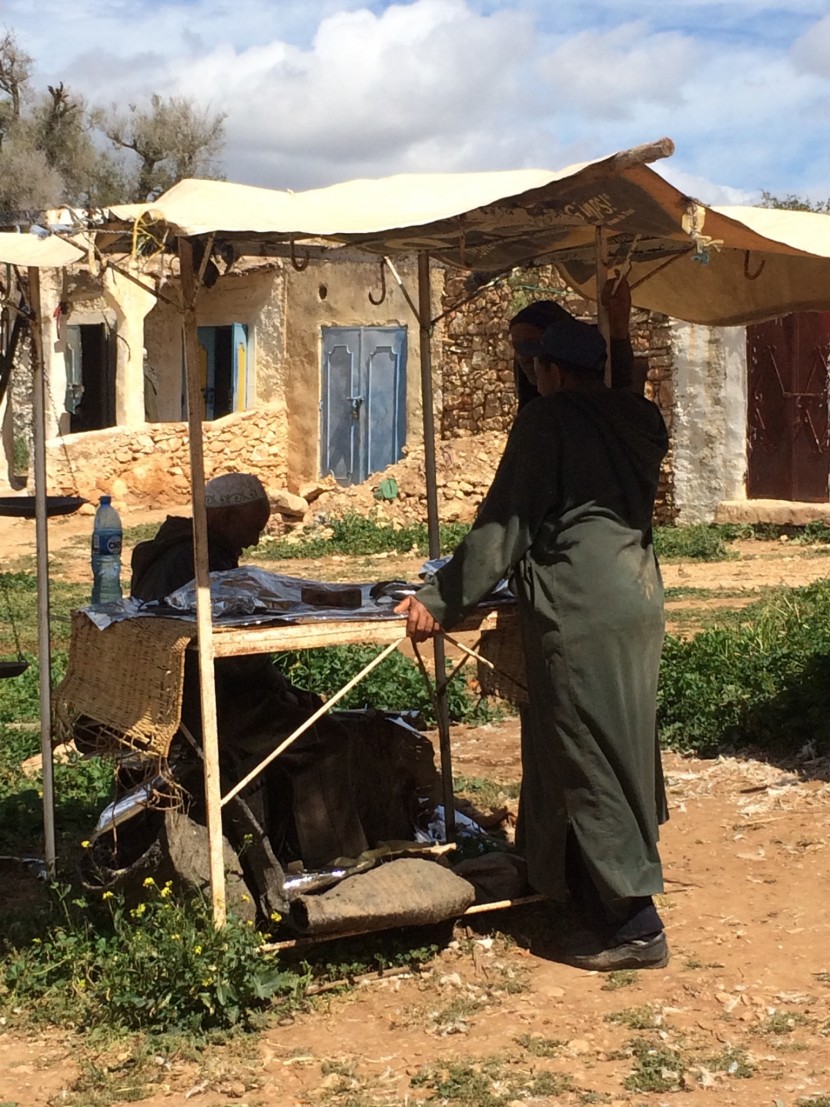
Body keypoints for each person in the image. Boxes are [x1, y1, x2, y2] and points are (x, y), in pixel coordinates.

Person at [396, 316, 670, 971]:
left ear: (547, 370)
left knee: (590, 753)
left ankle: (636, 922)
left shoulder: (547, 423)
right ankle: (579, 887)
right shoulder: (640, 418)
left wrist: (439, 599)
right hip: (635, 593)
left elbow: (506, 523)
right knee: (603, 741)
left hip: (581, 603)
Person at [131, 472, 372, 869]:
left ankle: (291, 848)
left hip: (177, 700)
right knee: (325, 740)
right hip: (205, 707)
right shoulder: (200, 563)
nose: (257, 540)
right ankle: (338, 861)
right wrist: (280, 690)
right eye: (253, 528)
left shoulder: (174, 551)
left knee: (300, 714)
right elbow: (234, 660)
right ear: (225, 518)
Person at [508, 278, 644, 409]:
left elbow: (620, 378)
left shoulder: (599, 406)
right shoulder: (532, 416)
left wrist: (619, 330)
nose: (523, 356)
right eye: (517, 346)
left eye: (532, 344)